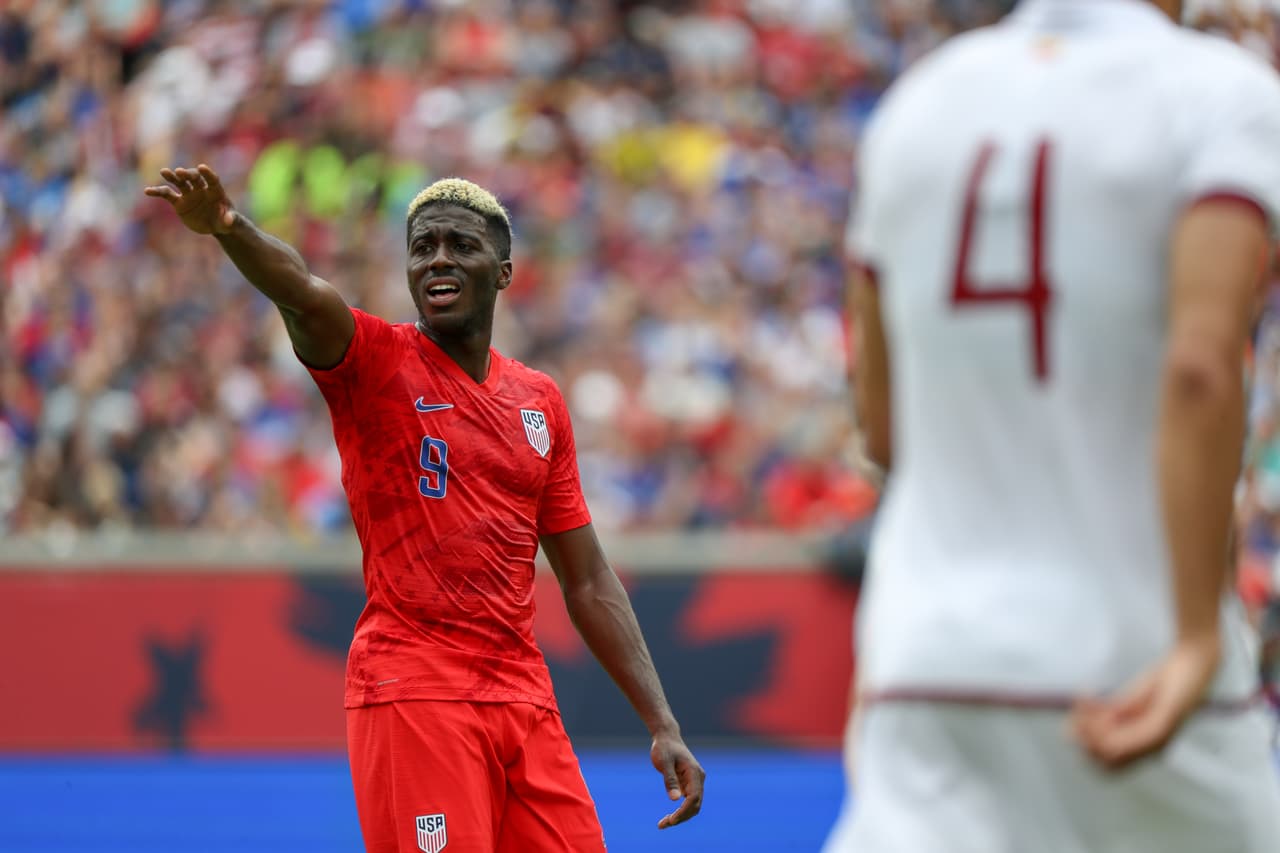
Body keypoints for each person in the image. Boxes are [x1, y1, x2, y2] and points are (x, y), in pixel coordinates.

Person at [143, 166, 704, 852]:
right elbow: (304, 295)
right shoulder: (374, 363)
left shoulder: (540, 402)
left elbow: (586, 578)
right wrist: (230, 228)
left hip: (522, 695)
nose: (437, 257)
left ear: (502, 271)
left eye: (459, 244)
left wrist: (661, 719)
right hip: (415, 687)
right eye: (422, 245)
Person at [827, 0, 1280, 850]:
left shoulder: (918, 103)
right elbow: (1202, 364)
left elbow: (885, 428)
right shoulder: (1224, 95)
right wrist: (1190, 639)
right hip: (1136, 657)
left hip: (928, 659)